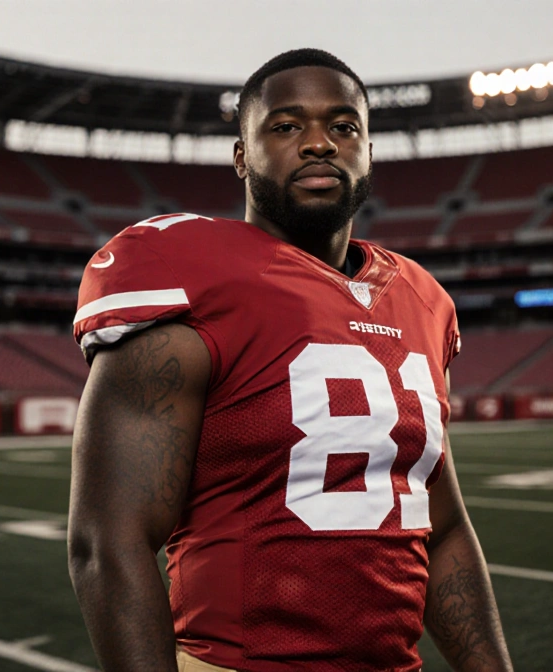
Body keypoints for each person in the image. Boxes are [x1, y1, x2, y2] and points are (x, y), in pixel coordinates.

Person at [67, 49, 511, 671]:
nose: (318, 144)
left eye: (343, 126)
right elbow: (107, 542)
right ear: (242, 155)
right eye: (285, 125)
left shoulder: (423, 300)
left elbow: (443, 526)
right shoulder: (187, 275)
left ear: (368, 151)